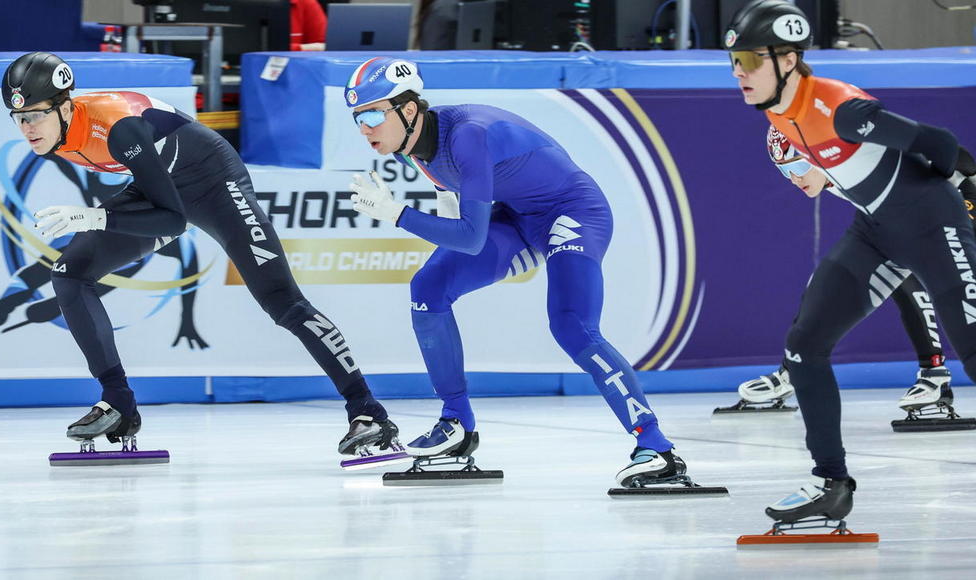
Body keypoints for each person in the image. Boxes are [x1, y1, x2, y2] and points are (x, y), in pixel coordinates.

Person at [2, 51, 400, 461]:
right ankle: (118, 402)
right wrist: (103, 217)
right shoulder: (53, 135)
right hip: (159, 187)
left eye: (35, 115)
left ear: (66, 106)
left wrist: (95, 216)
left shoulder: (117, 127)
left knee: (283, 302)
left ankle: (368, 411)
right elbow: (160, 199)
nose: (27, 128)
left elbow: (173, 221)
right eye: (19, 118)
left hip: (215, 184)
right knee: (69, 272)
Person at [343, 56, 680, 488]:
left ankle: (656, 447)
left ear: (409, 109)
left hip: (572, 212)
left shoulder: (467, 136)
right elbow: (458, 218)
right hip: (517, 218)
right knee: (429, 287)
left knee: (572, 326)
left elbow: (470, 237)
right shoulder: (414, 146)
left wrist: (396, 213)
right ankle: (456, 424)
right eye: (357, 118)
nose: (364, 128)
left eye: (372, 114)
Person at [725, 0, 976, 525]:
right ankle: (831, 485)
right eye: (733, 62)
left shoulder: (839, 107)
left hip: (933, 225)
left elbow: (940, 143)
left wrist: (964, 196)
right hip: (876, 230)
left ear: (787, 60)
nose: (738, 74)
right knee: (803, 347)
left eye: (748, 61)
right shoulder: (777, 113)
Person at [730, 125, 957, 416]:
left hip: (953, 204)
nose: (795, 178)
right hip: (910, 215)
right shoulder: (833, 173)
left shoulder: (858, 161)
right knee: (826, 281)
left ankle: (934, 373)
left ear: (818, 156)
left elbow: (948, 157)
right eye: (785, 171)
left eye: (798, 166)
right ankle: (796, 367)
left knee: (903, 268)